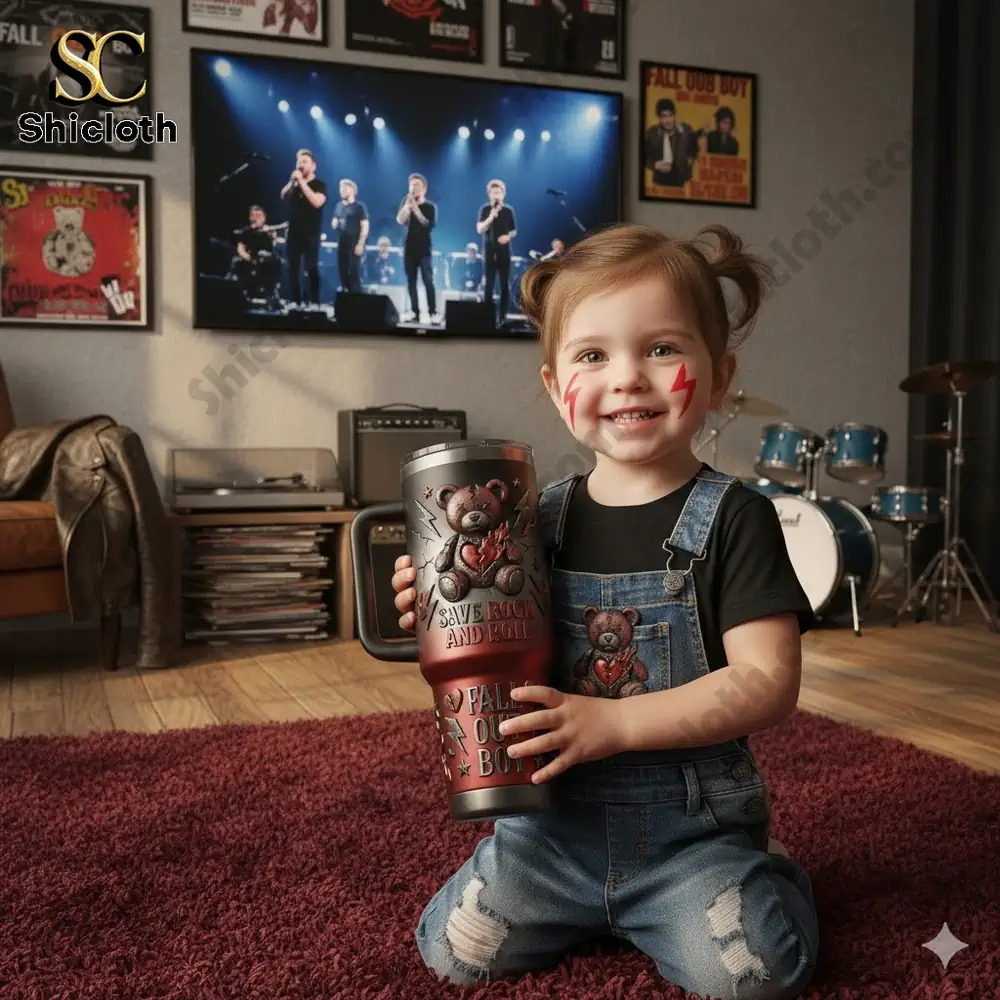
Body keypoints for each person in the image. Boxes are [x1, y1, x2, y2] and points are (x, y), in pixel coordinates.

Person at [389, 222, 820, 998]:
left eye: (661, 349)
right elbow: (483, 644)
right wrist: (436, 604)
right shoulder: (529, 520)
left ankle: (768, 874)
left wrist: (614, 724)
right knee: (454, 955)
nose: (627, 378)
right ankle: (585, 905)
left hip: (694, 842)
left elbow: (768, 682)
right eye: (593, 356)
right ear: (558, 389)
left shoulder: (734, 518)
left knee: (755, 973)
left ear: (718, 377)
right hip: (546, 837)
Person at [280, 148, 327, 306]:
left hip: (311, 233)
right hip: (293, 232)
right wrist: (291, 182)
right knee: (292, 267)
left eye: (304, 162)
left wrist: (301, 182)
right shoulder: (295, 184)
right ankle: (295, 300)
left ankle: (314, 301)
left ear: (313, 166)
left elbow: (317, 202)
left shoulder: (319, 185)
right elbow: (283, 196)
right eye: (299, 162)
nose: (301, 165)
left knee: (311, 267)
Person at [396, 172, 439, 323]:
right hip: (409, 248)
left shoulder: (430, 206)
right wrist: (407, 207)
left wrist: (416, 210)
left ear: (424, 189)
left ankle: (433, 311)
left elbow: (428, 225)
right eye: (412, 185)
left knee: (428, 280)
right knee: (411, 281)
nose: (414, 188)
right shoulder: (405, 202)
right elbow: (400, 220)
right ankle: (415, 311)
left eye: (417, 185)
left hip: (424, 249)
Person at [476, 178, 517, 324]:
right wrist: (491, 216)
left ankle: (503, 316)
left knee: (505, 283)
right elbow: (480, 229)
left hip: (504, 251)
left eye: (498, 192)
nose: (496, 195)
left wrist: (508, 236)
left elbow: (514, 231)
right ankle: (487, 315)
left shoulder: (508, 210)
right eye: (493, 193)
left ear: (503, 194)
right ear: (489, 195)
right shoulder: (485, 209)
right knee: (489, 283)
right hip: (488, 250)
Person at [643, 98, 698, 188]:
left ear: (674, 115)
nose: (668, 120)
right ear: (659, 118)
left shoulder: (686, 130)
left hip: (682, 181)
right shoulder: (651, 133)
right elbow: (643, 156)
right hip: (659, 181)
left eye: (670, 115)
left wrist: (688, 162)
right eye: (664, 116)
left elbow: (694, 150)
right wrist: (654, 165)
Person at [232, 204, 280, 303]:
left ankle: (270, 294)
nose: (257, 218)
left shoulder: (270, 231)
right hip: (250, 258)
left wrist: (273, 238)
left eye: (259, 216)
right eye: (254, 216)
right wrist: (248, 258)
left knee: (275, 263)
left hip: (267, 259)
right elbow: (240, 249)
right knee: (237, 262)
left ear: (264, 218)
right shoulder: (246, 232)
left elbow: (275, 248)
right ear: (250, 218)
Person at [331, 178, 369, 294]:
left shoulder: (359, 207)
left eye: (345, 188)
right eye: (340, 188)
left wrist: (360, 244)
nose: (342, 190)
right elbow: (334, 221)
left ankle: (356, 300)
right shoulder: (339, 206)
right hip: (342, 243)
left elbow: (365, 226)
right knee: (342, 273)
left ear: (352, 190)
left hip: (354, 244)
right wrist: (334, 223)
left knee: (353, 273)